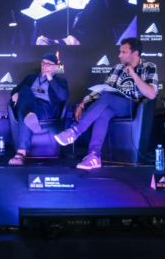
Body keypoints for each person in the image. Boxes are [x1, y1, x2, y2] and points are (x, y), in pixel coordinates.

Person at [54, 38, 158, 170]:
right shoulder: (117, 68)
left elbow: (151, 94)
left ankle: (75, 131)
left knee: (107, 98)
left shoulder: (149, 67)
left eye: (123, 52)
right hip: (113, 104)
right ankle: (94, 155)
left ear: (135, 53)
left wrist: (133, 74)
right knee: (104, 112)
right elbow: (103, 90)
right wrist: (83, 103)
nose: (119, 55)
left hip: (133, 107)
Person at [8, 53, 69, 166]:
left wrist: (50, 78)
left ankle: (20, 153)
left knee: (24, 110)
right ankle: (30, 116)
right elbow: (15, 90)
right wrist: (15, 94)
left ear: (55, 67)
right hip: (28, 103)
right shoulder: (30, 78)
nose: (44, 66)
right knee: (24, 90)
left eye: (48, 64)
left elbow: (63, 97)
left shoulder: (60, 81)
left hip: (45, 109)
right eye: (43, 63)